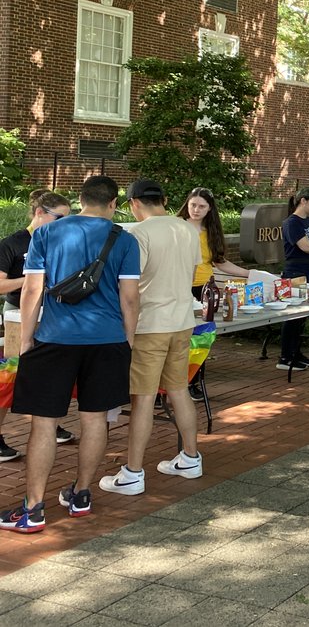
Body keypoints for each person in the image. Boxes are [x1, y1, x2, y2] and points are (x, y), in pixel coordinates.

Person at [1, 176, 140, 531]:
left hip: (55, 338)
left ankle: (33, 509)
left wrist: (26, 339)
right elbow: (130, 297)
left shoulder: (47, 234)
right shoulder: (124, 240)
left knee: (44, 423)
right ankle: (80, 494)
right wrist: (127, 339)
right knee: (94, 419)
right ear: (113, 204)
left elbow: (32, 291)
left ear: (80, 200)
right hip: (107, 341)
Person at [99, 179, 204, 496]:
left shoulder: (138, 234)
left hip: (149, 325)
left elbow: (129, 285)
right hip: (183, 321)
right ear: (165, 199)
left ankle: (132, 473)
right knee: (178, 390)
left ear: (133, 203)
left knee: (143, 398)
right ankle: (190, 457)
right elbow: (192, 271)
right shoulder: (188, 229)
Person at [0, 191, 74, 463]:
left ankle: (49, 424)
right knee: (11, 379)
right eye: (60, 218)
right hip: (18, 316)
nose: (64, 224)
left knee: (49, 376)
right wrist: (30, 280)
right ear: (40, 213)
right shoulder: (13, 243)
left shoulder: (61, 242)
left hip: (53, 315)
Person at [279, 187, 309, 371]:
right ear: (303, 201)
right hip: (295, 272)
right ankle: (285, 356)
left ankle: (296, 352)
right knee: (294, 315)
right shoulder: (292, 223)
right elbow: (306, 247)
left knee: (304, 314)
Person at [178, 186, 249, 301]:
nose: (196, 210)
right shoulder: (176, 226)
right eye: (193, 205)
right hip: (179, 287)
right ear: (187, 204)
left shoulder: (212, 231)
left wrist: (249, 273)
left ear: (209, 208)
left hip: (205, 287)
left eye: (202, 206)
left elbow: (219, 262)